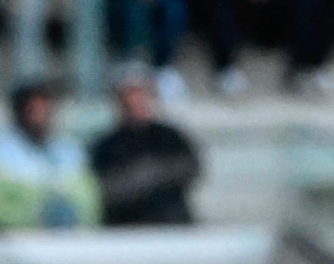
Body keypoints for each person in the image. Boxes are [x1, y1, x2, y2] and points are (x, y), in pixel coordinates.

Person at [88, 73, 202, 228]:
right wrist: (139, 179)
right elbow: (103, 187)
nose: (135, 102)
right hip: (127, 225)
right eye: (129, 96)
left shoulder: (170, 136)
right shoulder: (106, 145)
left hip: (171, 221)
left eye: (140, 95)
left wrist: (153, 173)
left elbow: (190, 167)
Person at [0, 84, 100, 231]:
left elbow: (88, 199)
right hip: (18, 241)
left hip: (70, 242)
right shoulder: (4, 151)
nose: (38, 115)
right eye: (32, 109)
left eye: (43, 108)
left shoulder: (69, 149)